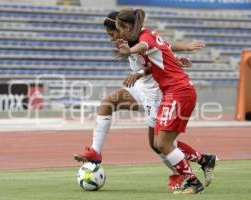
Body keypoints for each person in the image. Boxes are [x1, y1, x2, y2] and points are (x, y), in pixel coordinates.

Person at [74, 11, 216, 191]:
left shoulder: (140, 39)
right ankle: (95, 152)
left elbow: (148, 49)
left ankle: (193, 168)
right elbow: (164, 48)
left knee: (159, 144)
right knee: (108, 103)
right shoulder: (131, 39)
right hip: (142, 88)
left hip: (156, 93)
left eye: (113, 33)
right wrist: (179, 53)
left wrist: (138, 63)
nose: (111, 38)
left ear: (123, 28)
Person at [114, 8, 217, 194]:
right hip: (174, 91)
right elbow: (161, 51)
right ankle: (204, 161)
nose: (118, 35)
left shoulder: (144, 38)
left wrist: (129, 50)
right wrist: (181, 51)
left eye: (119, 30)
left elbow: (143, 47)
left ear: (127, 27)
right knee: (158, 143)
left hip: (178, 91)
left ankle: (193, 182)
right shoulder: (147, 36)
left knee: (162, 144)